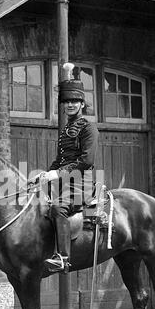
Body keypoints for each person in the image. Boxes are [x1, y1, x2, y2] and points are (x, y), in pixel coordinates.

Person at [39, 69, 99, 273]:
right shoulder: (66, 129)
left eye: (75, 101)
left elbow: (86, 160)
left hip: (83, 183)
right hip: (64, 182)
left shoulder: (88, 128)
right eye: (67, 102)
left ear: (82, 104)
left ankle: (63, 258)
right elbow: (60, 159)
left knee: (58, 208)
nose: (70, 104)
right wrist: (45, 175)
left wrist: (58, 174)